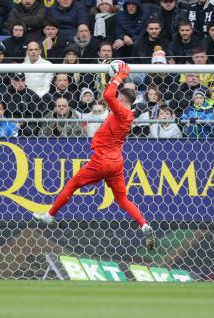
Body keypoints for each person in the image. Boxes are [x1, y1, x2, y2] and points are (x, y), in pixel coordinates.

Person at [32, 63, 156, 251]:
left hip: (102, 160)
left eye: (119, 96)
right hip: (116, 162)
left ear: (121, 97)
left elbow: (107, 96)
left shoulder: (122, 111)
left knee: (73, 184)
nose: (116, 97)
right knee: (122, 199)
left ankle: (50, 215)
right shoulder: (130, 114)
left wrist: (120, 76)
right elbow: (135, 106)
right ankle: (144, 225)